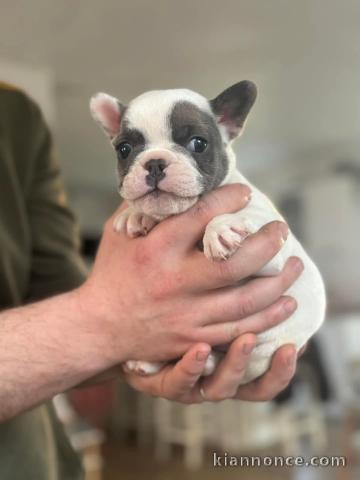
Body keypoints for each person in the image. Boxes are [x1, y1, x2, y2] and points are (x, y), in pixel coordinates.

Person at [0, 82, 303, 480]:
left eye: (194, 143)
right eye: (128, 149)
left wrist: (150, 342)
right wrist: (111, 324)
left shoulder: (15, 114)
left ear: (227, 127)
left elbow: (58, 291)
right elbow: (92, 321)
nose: (154, 164)